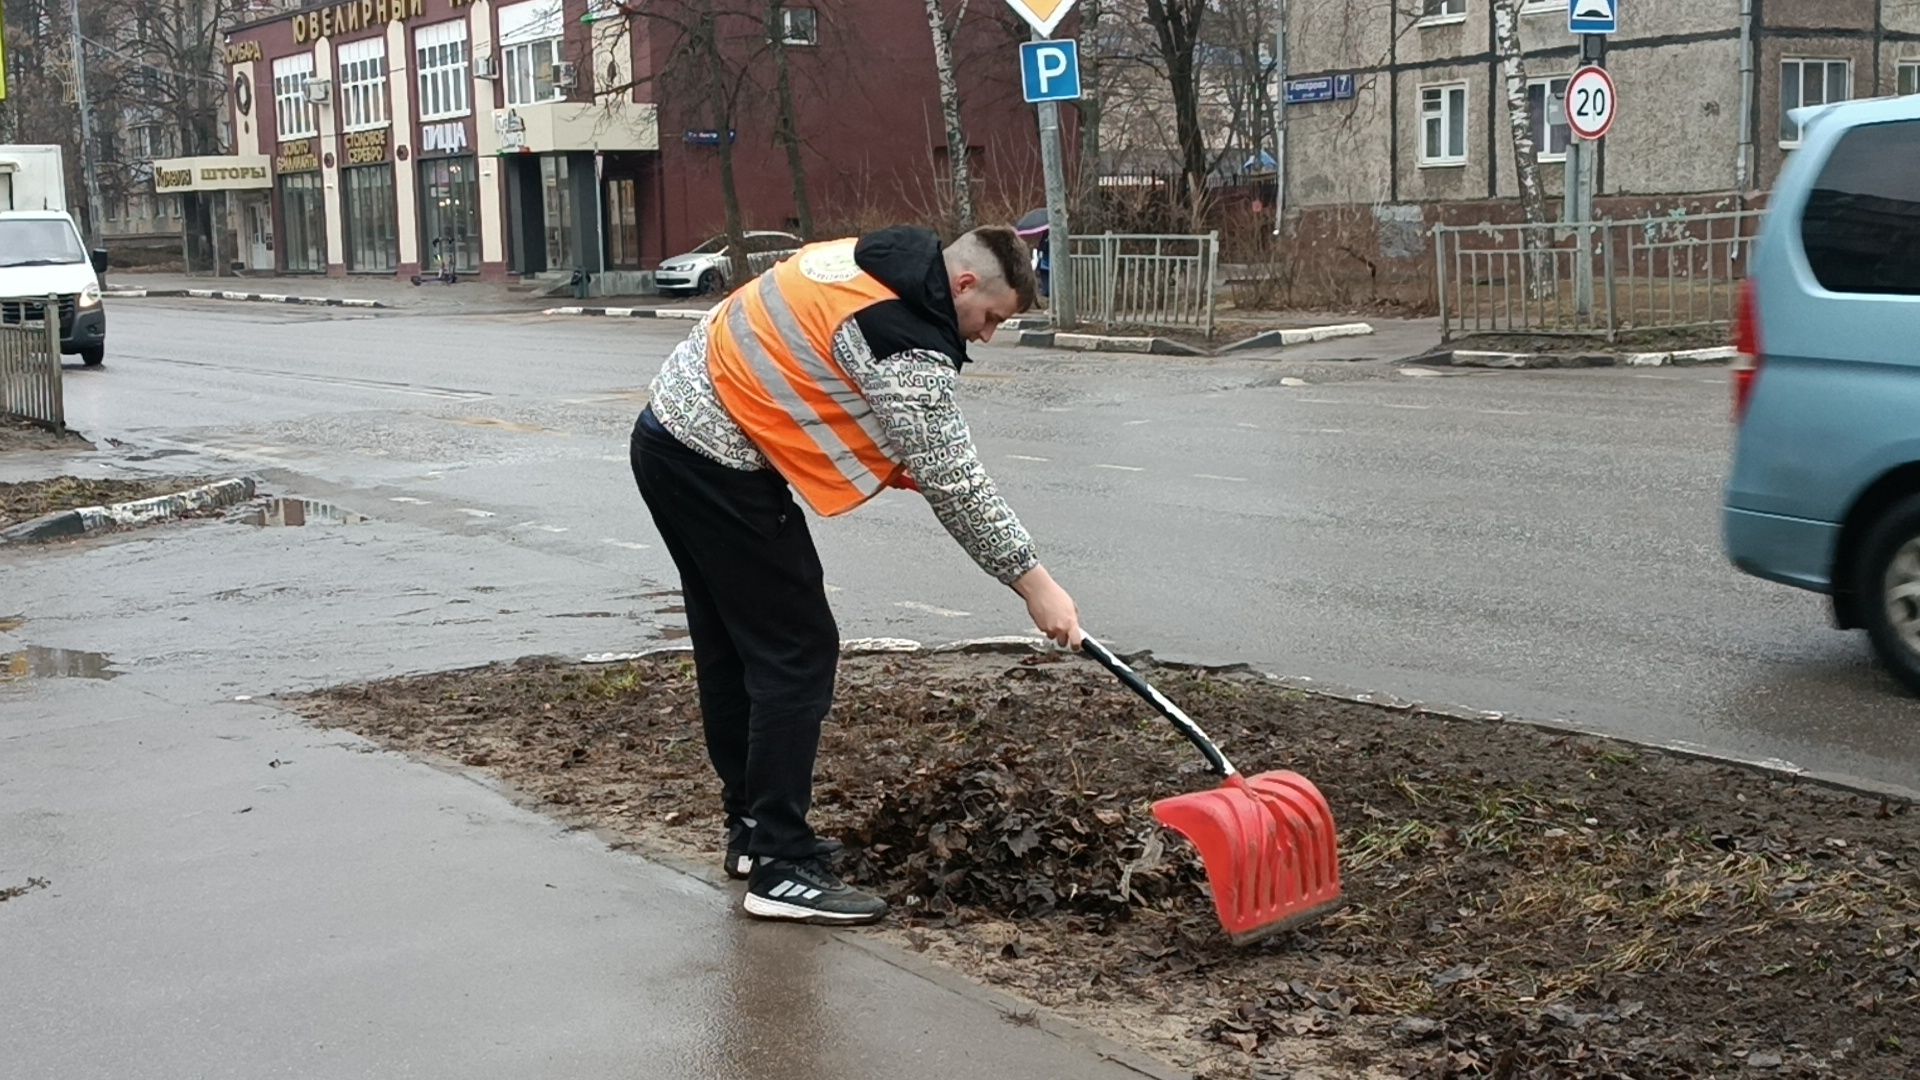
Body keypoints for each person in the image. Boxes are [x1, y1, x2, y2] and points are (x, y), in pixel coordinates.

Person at [629, 225, 1083, 926]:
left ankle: (752, 831)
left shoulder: (867, 259)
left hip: (668, 435)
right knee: (797, 651)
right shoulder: (904, 337)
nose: (988, 335)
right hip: (716, 462)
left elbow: (821, 366)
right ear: (964, 283)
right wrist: (1035, 585)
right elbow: (956, 481)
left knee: (734, 645)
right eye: (992, 317)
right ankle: (781, 868)